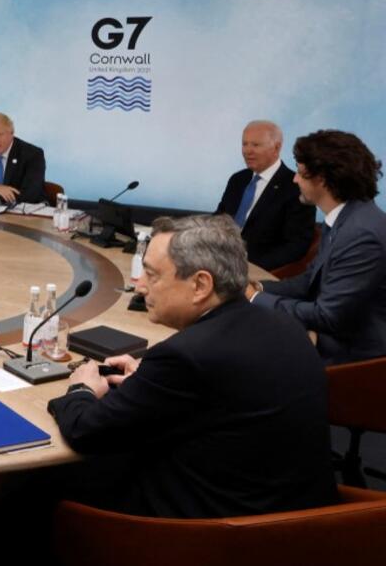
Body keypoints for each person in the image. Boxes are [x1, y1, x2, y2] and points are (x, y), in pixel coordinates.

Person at [48, 214, 336, 518]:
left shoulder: (186, 357)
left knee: (42, 487)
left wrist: (81, 388)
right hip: (302, 524)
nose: (140, 286)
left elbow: (86, 431)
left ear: (200, 284)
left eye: (152, 275)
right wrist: (148, 380)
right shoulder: (284, 324)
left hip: (210, 536)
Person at [250, 129, 386, 363]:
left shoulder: (361, 234)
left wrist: (254, 299)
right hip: (334, 340)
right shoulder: (348, 217)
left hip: (355, 360)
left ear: (321, 179)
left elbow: (328, 316)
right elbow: (310, 281)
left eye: (301, 174)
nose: (294, 179)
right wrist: (257, 288)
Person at [214, 120, 314, 271]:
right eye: (244, 144)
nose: (247, 151)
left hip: (256, 269)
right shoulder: (238, 179)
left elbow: (296, 245)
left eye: (255, 145)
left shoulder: (295, 187)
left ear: (277, 147)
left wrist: (250, 267)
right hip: (217, 260)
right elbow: (219, 217)